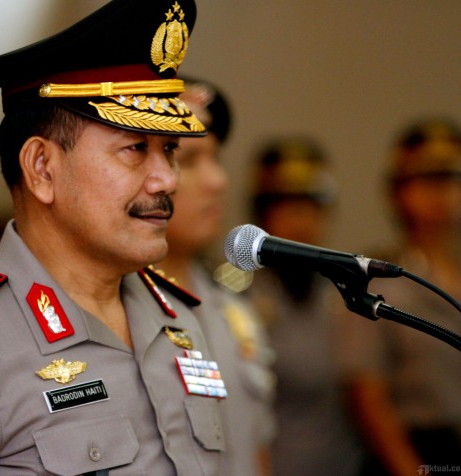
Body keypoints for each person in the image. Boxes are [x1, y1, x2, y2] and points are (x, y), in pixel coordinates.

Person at [0, 1, 231, 474]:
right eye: (135, 148)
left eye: (170, 150)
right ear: (41, 168)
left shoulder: (177, 319)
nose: (167, 179)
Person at [154, 78, 276, 476]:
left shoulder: (232, 310)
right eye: (189, 161)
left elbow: (255, 452)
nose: (218, 181)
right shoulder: (120, 311)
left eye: (216, 158)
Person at [339, 116, 461, 475]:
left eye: (450, 179)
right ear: (399, 191)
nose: (442, 193)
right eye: (427, 180)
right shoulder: (379, 276)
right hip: (415, 450)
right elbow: (366, 395)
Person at [242, 137, 365, 476]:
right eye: (286, 207)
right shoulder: (238, 299)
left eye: (311, 207)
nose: (300, 223)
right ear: (262, 216)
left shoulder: (347, 293)